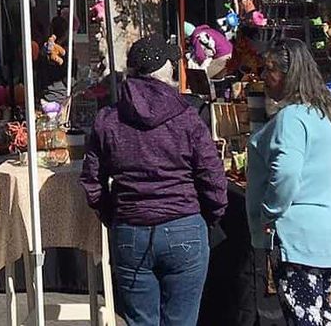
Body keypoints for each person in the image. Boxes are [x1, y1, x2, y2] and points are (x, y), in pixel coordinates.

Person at [80, 32, 226, 326]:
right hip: (182, 224)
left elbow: (92, 183)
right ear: (168, 70)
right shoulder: (187, 117)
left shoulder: (108, 119)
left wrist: (114, 215)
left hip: (132, 229)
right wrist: (209, 216)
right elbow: (213, 179)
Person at [247, 39, 331, 326]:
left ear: (288, 73)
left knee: (304, 316)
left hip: (299, 235)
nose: (264, 77)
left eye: (270, 70)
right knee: (321, 312)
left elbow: (286, 174)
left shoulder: (291, 118)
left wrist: (268, 211)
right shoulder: (327, 112)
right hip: (330, 232)